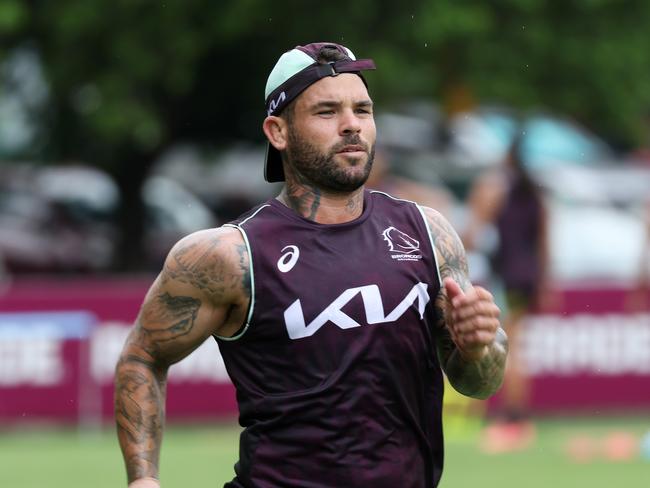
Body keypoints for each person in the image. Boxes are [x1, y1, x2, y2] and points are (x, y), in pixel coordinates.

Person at [115, 42, 508, 488]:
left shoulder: (427, 232)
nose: (351, 126)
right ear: (277, 131)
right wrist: (142, 479)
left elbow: (479, 383)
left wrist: (478, 348)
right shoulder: (229, 253)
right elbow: (142, 357)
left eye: (363, 109)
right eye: (327, 112)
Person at [464, 134, 550, 453]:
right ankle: (517, 417)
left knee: (508, 348)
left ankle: (514, 418)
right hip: (527, 277)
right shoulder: (534, 192)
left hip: (506, 276)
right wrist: (544, 280)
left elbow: (473, 234)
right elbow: (544, 240)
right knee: (517, 345)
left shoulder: (496, 188)